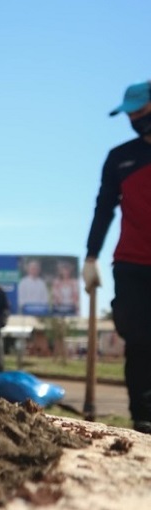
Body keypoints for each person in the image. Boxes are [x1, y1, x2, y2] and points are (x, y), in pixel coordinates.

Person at [84, 79, 151, 434]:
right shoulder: (119, 157)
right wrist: (90, 256)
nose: (135, 119)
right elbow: (103, 209)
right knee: (138, 340)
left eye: (140, 111)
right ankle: (143, 419)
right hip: (132, 263)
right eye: (130, 114)